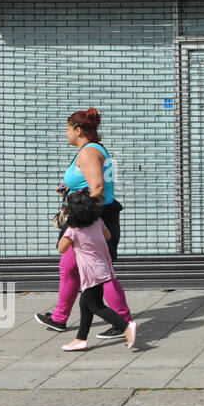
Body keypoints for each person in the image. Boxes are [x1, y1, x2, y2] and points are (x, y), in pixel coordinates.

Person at [35, 107, 132, 337]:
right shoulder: (90, 150)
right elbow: (91, 184)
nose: (66, 134)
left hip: (92, 221)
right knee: (69, 267)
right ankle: (59, 318)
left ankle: (124, 321)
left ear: (78, 130)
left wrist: (79, 218)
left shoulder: (88, 153)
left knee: (101, 273)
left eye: (68, 130)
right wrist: (71, 189)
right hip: (93, 218)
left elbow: (98, 189)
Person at [58, 190, 137, 351]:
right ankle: (81, 338)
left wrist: (68, 227)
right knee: (85, 303)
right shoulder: (99, 222)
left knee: (96, 306)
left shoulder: (73, 230)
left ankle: (125, 326)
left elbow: (61, 248)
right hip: (103, 267)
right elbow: (107, 236)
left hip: (91, 273)